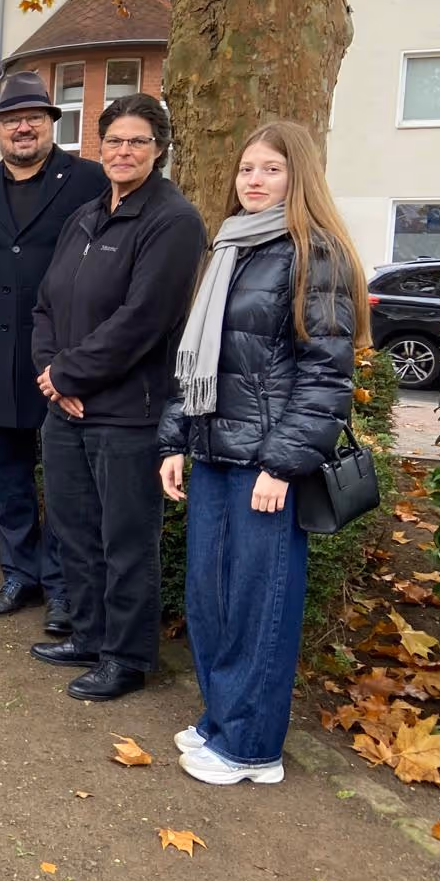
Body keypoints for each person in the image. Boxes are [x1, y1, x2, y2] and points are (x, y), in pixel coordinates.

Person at [159, 120, 367, 784]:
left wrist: (283, 463)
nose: (254, 179)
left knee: (260, 603)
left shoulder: (316, 252)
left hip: (264, 465)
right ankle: (223, 720)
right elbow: (196, 361)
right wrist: (173, 441)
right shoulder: (231, 249)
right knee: (212, 598)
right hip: (215, 450)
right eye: (247, 168)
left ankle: (253, 749)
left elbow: (327, 375)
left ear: (297, 176)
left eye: (271, 169)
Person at [30, 92, 206, 701]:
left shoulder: (173, 221)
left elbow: (144, 319)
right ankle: (88, 634)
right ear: (98, 147)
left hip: (129, 414)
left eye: (137, 141)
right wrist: (53, 374)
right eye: (113, 141)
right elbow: (46, 304)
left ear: (158, 151)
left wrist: (70, 376)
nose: (123, 151)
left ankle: (128, 657)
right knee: (74, 531)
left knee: (126, 540)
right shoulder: (85, 216)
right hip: (67, 410)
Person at [0, 71, 109, 621]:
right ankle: (20, 574)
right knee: (11, 477)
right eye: (12, 119)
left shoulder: (88, 181)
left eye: (34, 117)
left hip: (64, 360)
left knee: (63, 482)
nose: (23, 127)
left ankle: (62, 586)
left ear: (51, 123)